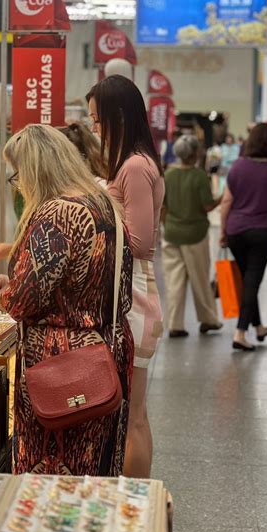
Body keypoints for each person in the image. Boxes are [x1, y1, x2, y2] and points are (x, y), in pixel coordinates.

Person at [0, 124, 134, 476]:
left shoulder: (56, 213)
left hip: (62, 362)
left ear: (33, 170)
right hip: (107, 348)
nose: (19, 185)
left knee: (53, 471)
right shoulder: (101, 202)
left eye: (17, 176)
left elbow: (24, 301)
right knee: (96, 466)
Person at [86, 74, 164, 479]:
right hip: (134, 300)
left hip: (136, 303)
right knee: (135, 415)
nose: (95, 130)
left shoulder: (134, 166)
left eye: (98, 121)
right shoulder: (137, 162)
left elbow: (139, 242)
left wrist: (99, 204)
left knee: (132, 418)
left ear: (117, 117)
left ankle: (135, 503)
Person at [0, 122, 108, 265]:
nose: (20, 185)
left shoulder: (59, 213)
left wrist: (8, 286)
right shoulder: (89, 198)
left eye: (20, 174)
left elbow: (38, 282)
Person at [220, 123, 267, 351]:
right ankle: (240, 332)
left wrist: (222, 230)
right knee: (252, 280)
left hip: (236, 231)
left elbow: (226, 202)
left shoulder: (238, 167)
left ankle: (258, 327)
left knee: (249, 278)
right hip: (262, 233)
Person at [161, 135, 222, 338]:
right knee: (200, 279)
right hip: (195, 235)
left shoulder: (168, 174)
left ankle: (175, 324)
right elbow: (207, 206)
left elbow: (163, 206)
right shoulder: (199, 176)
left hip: (171, 233)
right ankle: (208, 319)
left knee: (174, 281)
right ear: (196, 153)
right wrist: (223, 198)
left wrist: (166, 226)